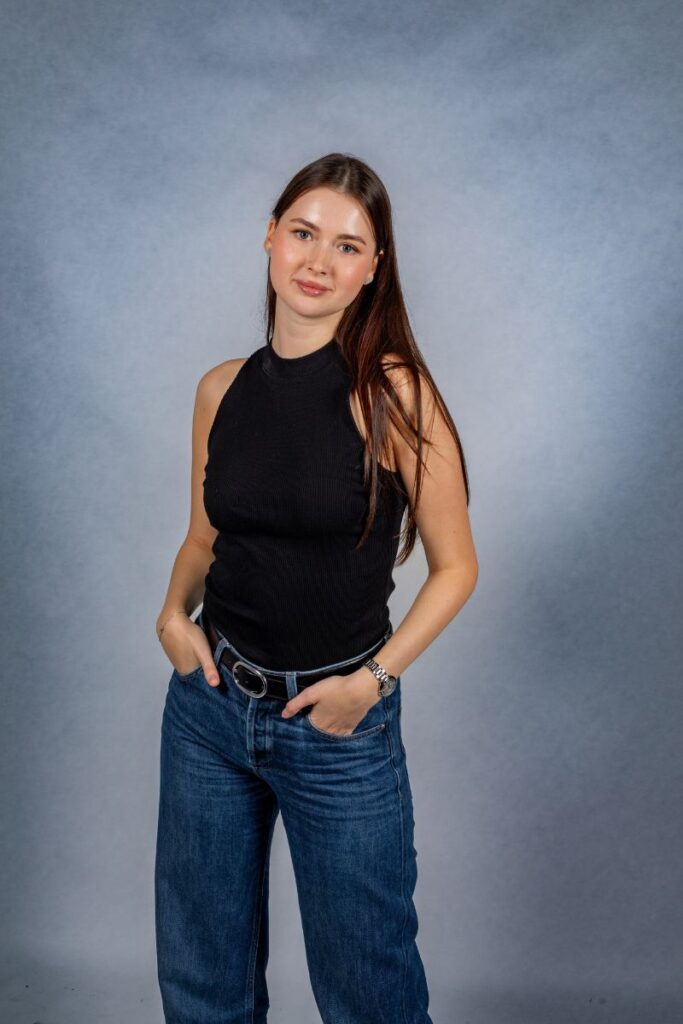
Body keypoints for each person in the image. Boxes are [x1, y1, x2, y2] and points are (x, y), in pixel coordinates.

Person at [154, 152, 479, 1024]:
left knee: (368, 990)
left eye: (347, 246)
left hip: (337, 723)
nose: (317, 262)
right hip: (210, 711)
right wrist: (168, 615)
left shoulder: (394, 396)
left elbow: (457, 568)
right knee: (200, 983)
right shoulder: (219, 388)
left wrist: (372, 685)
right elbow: (202, 536)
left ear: (374, 269)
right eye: (302, 233)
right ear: (269, 237)